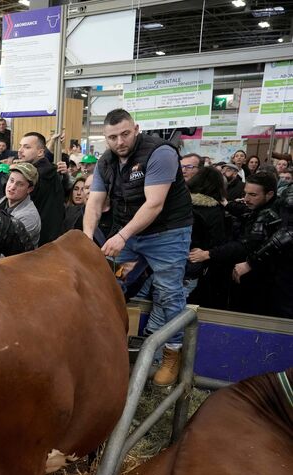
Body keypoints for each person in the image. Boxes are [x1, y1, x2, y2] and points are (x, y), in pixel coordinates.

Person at [84, 108, 193, 387]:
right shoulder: (105, 162)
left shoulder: (160, 153)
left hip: (167, 231)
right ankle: (112, 347)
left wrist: (122, 236)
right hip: (130, 231)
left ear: (136, 129)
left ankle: (173, 353)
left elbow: (154, 203)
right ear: (104, 138)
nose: (119, 142)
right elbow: (94, 203)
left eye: (125, 134)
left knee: (169, 292)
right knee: (110, 283)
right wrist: (86, 241)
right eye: (112, 137)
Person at [199, 172, 284, 316]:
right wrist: (227, 204)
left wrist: (208, 254)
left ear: (269, 194)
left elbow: (246, 245)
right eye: (245, 193)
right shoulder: (264, 206)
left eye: (253, 195)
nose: (246, 199)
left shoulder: (267, 215)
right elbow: (246, 211)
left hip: (260, 283)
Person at [182, 167, 228, 308]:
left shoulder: (181, 204)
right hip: (198, 265)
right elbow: (217, 241)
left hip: (172, 259)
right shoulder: (215, 210)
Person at [17, 131, 67, 244]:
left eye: (27, 147)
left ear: (40, 152)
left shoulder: (36, 176)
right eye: (20, 146)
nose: (20, 150)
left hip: (39, 241)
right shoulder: (48, 171)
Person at [0, 162, 42, 246]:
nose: (12, 187)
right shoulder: (3, 201)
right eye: (11, 180)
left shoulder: (29, 217)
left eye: (20, 184)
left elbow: (6, 246)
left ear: (30, 189)